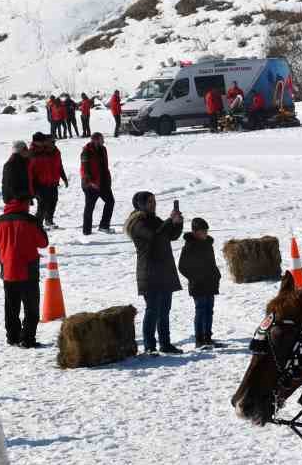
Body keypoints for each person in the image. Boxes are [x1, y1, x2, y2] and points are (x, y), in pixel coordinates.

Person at [126, 191, 183, 355]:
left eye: (154, 201)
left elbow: (171, 235)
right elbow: (153, 237)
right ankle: (150, 346)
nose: (153, 204)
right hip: (149, 272)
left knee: (164, 310)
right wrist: (169, 221)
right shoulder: (137, 223)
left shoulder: (154, 220)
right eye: (150, 202)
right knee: (153, 310)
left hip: (164, 270)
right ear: (140, 204)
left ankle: (165, 344)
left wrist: (177, 223)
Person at [0, 195, 47, 348]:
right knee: (31, 308)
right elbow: (43, 242)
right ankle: (27, 339)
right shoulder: (30, 220)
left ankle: (12, 337)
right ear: (24, 203)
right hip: (28, 270)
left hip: (7, 269)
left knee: (11, 306)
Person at [178, 217, 221, 350]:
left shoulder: (208, 244)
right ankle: (199, 339)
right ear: (195, 232)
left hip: (210, 283)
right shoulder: (189, 246)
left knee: (209, 310)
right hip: (198, 285)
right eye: (203, 231)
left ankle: (208, 337)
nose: (205, 234)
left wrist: (216, 275)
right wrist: (195, 277)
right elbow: (182, 266)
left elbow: (212, 263)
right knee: (201, 310)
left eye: (206, 231)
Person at [28, 132, 67, 227]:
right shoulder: (37, 152)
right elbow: (29, 170)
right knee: (42, 204)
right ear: (46, 142)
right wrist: (30, 187)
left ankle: (49, 220)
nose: (54, 143)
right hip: (39, 184)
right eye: (52, 142)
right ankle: (37, 224)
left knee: (53, 201)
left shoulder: (56, 152)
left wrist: (64, 178)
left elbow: (59, 166)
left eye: (54, 142)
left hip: (53, 182)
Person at [80, 132, 115, 234]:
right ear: (95, 140)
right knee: (89, 208)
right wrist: (90, 182)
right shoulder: (86, 152)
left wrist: (107, 179)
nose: (103, 141)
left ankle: (104, 226)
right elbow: (84, 170)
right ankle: (86, 231)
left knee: (110, 202)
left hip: (103, 182)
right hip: (91, 185)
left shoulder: (103, 149)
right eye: (101, 139)